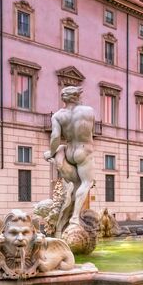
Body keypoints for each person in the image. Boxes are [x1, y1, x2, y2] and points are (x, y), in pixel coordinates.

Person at [43, 85, 96, 230]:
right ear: (77, 96)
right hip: (84, 150)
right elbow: (92, 131)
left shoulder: (58, 116)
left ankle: (64, 218)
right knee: (86, 183)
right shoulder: (88, 111)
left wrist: (52, 152)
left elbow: (55, 137)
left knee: (75, 186)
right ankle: (74, 218)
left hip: (69, 151)